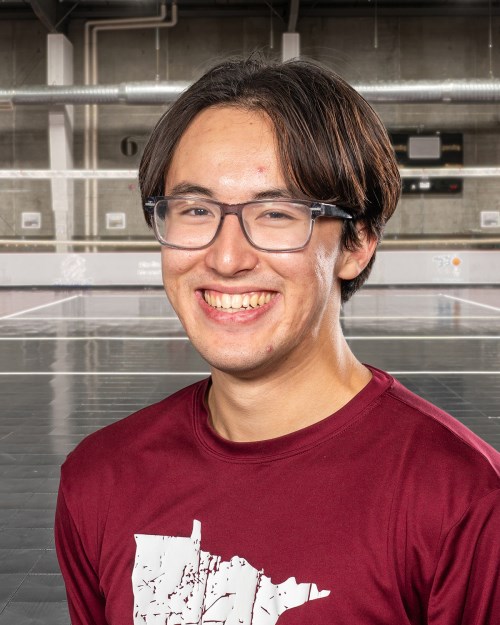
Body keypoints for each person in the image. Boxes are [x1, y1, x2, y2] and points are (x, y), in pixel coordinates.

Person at [55, 58, 500, 625]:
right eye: (196, 210)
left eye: (275, 213)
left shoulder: (463, 501)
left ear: (358, 242)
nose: (226, 257)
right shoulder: (98, 480)